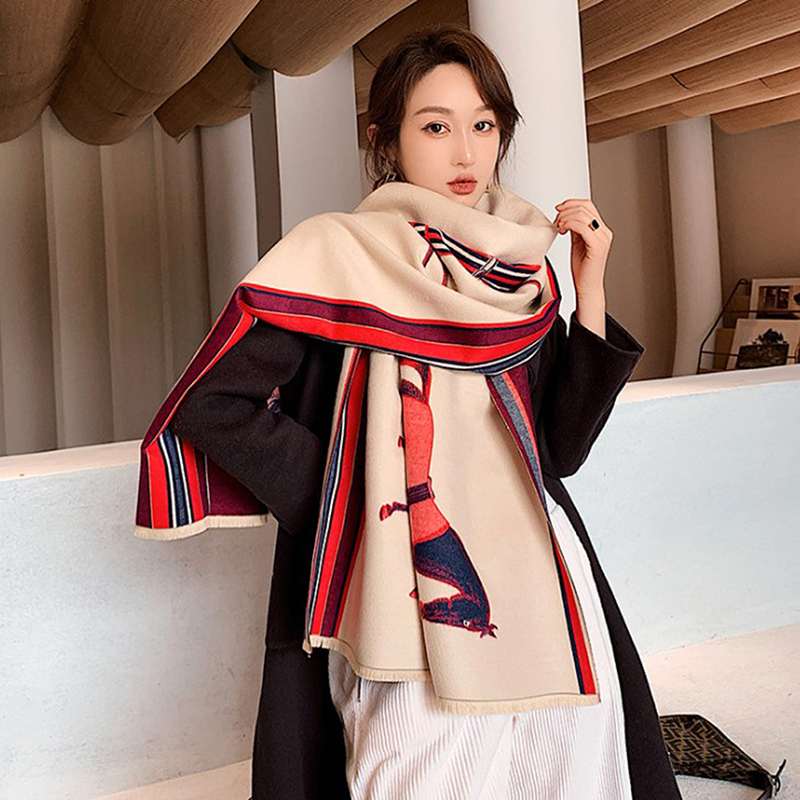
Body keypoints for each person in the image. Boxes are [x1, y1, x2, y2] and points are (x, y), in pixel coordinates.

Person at [137, 25, 681, 800]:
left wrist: (588, 289)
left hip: (545, 585)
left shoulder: (519, 269)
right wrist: (348, 501)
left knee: (567, 771)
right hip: (401, 589)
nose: (465, 152)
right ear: (385, 142)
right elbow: (213, 402)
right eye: (435, 126)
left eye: (483, 125)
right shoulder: (335, 256)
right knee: (422, 770)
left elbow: (559, 451)